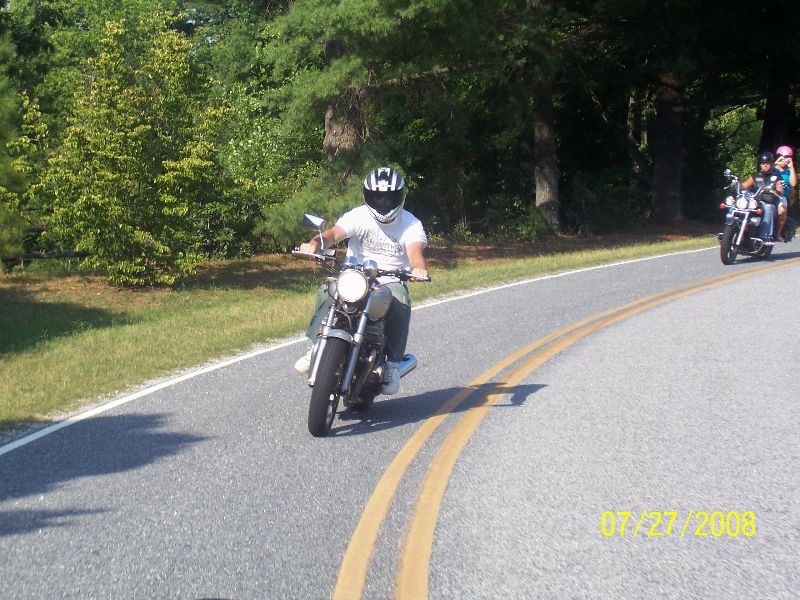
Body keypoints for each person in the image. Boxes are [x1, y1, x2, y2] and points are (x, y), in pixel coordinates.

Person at [294, 166, 429, 395]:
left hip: (389, 279)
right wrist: (315, 243)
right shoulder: (358, 215)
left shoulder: (411, 224)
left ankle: (393, 364)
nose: (383, 202)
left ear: (399, 197)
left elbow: (415, 251)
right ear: (368, 195)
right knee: (328, 290)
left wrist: (419, 268)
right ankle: (316, 345)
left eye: (389, 197)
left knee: (400, 301)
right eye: (378, 196)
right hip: (355, 275)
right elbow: (333, 234)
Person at [740, 151, 785, 242]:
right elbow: (743, 186)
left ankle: (765, 236)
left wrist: (777, 190)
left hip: (769, 202)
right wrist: (736, 186)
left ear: (771, 163)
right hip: (755, 202)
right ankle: (736, 229)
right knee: (738, 205)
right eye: (763, 163)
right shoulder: (755, 176)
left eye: (767, 163)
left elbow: (780, 190)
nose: (765, 165)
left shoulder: (777, 177)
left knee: (768, 208)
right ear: (760, 164)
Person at [772, 145, 796, 242]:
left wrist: (791, 167)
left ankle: (777, 234)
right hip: (767, 194)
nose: (784, 160)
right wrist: (776, 163)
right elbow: (763, 172)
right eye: (783, 157)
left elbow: (793, 183)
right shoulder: (773, 168)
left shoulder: (789, 171)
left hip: (781, 196)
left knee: (782, 210)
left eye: (787, 158)